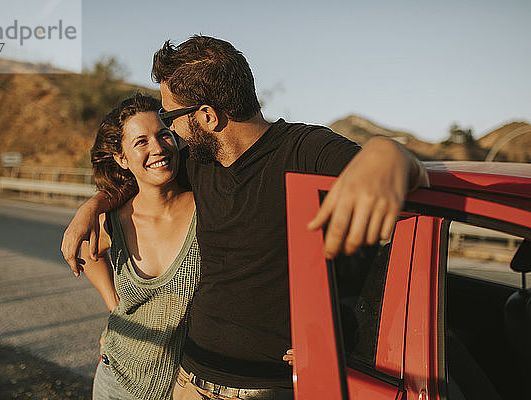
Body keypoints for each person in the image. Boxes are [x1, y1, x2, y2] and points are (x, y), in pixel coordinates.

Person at [63, 36, 429, 399]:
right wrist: (92, 206)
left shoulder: (303, 150)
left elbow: (397, 174)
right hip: (188, 382)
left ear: (206, 116)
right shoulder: (199, 163)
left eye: (170, 118)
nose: (170, 133)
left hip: (265, 389)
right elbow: (146, 178)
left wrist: (387, 150)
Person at [78, 94, 200, 400]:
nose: (157, 148)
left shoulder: (205, 209)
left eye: (163, 135)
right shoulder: (115, 220)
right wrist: (113, 303)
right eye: (141, 141)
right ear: (122, 158)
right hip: (114, 380)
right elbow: (89, 254)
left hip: (182, 390)